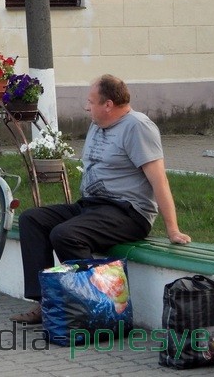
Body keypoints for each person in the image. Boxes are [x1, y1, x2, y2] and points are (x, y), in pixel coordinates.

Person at [10, 74, 191, 324]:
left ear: (108, 105)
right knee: (32, 219)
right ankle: (46, 303)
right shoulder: (98, 124)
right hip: (93, 207)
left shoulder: (137, 127)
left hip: (128, 212)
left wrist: (173, 229)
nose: (87, 107)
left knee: (65, 234)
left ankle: (98, 305)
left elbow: (159, 180)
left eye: (91, 101)